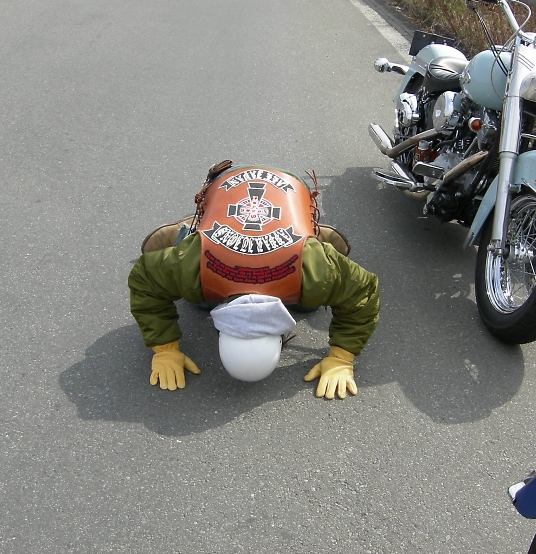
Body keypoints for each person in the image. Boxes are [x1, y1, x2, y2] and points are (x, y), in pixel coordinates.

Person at [127, 161, 379, 400]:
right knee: (206, 300)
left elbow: (362, 291)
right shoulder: (193, 270)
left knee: (304, 301)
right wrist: (165, 350)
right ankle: (190, 232)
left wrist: (341, 358)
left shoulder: (314, 274)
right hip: (242, 188)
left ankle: (307, 233)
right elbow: (145, 279)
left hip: (285, 187)